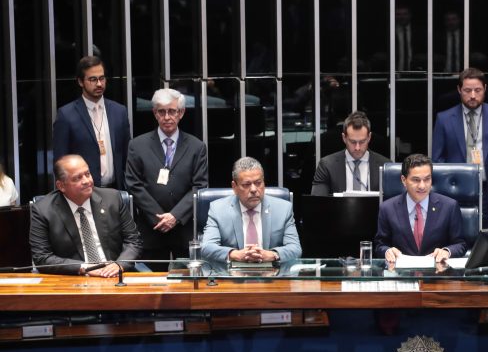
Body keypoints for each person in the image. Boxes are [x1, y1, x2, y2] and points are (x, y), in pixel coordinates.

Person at [125, 88, 209, 270]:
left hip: (184, 229)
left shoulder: (197, 147)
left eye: (172, 111)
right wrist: (159, 217)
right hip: (151, 228)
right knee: (152, 288)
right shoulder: (137, 145)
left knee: (187, 288)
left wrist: (175, 216)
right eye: (161, 111)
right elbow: (133, 184)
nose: (167, 117)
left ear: (181, 113)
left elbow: (200, 186)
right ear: (155, 113)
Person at [28, 155, 141, 277]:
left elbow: (133, 241)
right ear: (61, 186)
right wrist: (82, 268)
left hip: (115, 275)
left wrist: (120, 264)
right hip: (74, 279)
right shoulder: (43, 210)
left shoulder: (112, 199)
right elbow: (42, 257)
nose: (87, 181)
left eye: (87, 174)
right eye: (77, 178)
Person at [432, 67, 488, 229]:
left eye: (477, 90)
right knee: (456, 236)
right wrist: (443, 194)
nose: (473, 96)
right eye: (467, 90)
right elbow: (437, 160)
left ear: (484, 89)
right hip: (454, 189)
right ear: (459, 90)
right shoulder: (444, 119)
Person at [201, 157, 301, 267]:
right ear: (234, 187)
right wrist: (235, 254)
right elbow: (207, 247)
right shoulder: (218, 209)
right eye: (246, 184)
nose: (254, 189)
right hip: (232, 277)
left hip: (272, 275)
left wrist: (272, 255)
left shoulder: (283, 209)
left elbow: (295, 248)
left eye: (258, 183)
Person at [53, 55, 132, 190]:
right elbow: (61, 161)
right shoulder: (66, 115)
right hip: (81, 191)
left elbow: (127, 154)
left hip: (116, 190)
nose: (99, 84)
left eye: (102, 78)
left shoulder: (119, 111)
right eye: (93, 79)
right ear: (80, 82)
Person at [374, 153, 466, 263]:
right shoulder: (387, 208)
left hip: (437, 274)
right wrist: (387, 251)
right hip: (402, 274)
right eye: (416, 180)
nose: (422, 186)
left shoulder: (449, 206)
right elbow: (380, 245)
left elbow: (461, 244)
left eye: (427, 179)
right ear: (404, 180)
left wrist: (447, 251)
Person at [311, 111, 390, 196]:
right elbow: (318, 202)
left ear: (369, 137)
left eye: (362, 142)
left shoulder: (386, 166)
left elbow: (394, 203)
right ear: (344, 138)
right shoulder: (327, 165)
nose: (357, 148)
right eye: (352, 142)